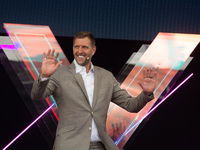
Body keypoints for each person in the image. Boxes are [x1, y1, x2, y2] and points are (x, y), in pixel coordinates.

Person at [31, 31, 157, 150]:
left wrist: (146, 94)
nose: (80, 51)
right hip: (69, 144)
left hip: (100, 145)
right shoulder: (59, 73)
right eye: (76, 47)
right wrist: (44, 76)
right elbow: (37, 95)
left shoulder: (106, 76)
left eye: (85, 47)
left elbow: (131, 105)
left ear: (93, 50)